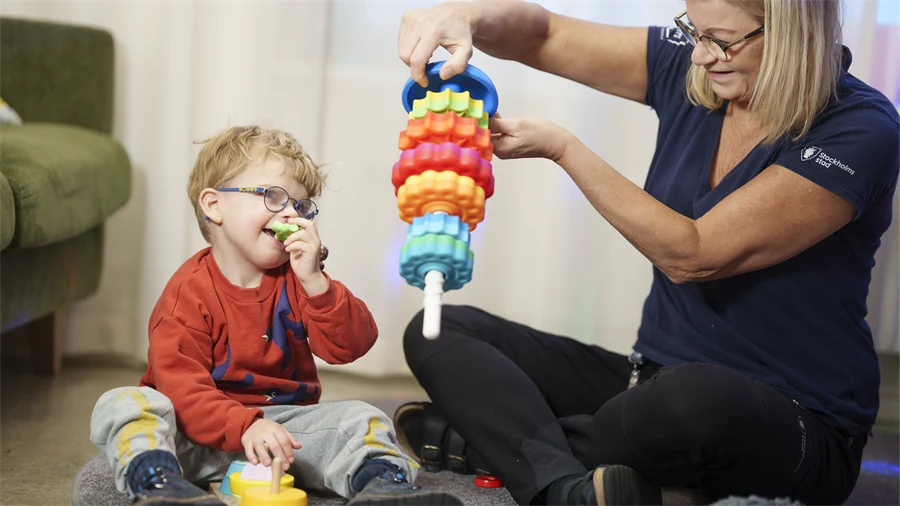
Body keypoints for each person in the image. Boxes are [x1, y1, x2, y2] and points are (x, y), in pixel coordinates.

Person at [393, 1, 900, 506]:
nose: (700, 56)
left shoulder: (860, 129)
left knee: (685, 402)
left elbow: (696, 254)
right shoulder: (696, 70)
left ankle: (502, 444)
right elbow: (541, 36)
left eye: (720, 40)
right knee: (440, 330)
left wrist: (564, 148)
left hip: (789, 416)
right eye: (694, 32)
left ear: (793, 33)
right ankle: (564, 487)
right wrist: (462, 16)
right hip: (649, 379)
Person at [89, 126, 461, 506]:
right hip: (195, 440)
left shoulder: (301, 278)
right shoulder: (187, 294)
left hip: (284, 440)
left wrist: (316, 282)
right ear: (214, 205)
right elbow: (180, 387)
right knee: (126, 403)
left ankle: (385, 486)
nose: (291, 214)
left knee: (362, 417)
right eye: (272, 196)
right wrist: (244, 425)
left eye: (301, 206)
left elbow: (351, 345)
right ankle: (159, 485)